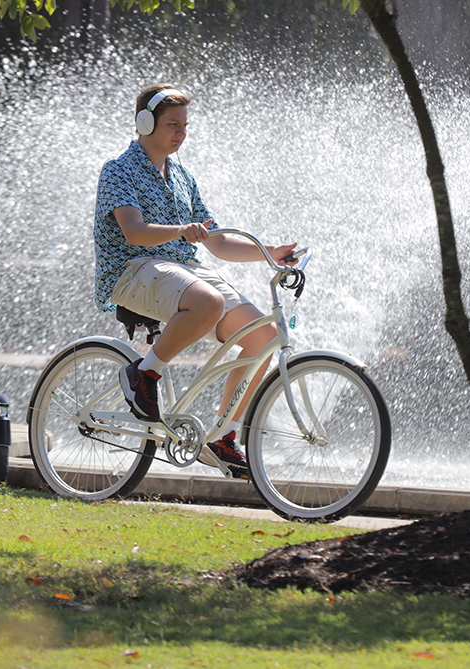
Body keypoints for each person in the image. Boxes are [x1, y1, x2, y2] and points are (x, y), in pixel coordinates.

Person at [93, 83, 298, 479]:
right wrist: (179, 230)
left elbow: (218, 241)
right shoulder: (118, 169)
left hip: (184, 271)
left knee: (264, 335)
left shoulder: (183, 176)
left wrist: (268, 252)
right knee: (208, 302)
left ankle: (223, 436)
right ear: (144, 122)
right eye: (172, 124)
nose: (180, 132)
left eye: (185, 125)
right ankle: (143, 374)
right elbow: (134, 232)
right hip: (132, 268)